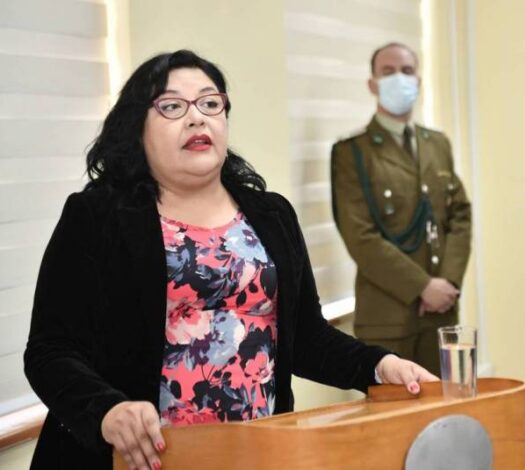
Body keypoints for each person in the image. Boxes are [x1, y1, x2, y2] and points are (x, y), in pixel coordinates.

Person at [23, 50, 435, 470]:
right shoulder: (97, 217)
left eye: (210, 103)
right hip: (136, 460)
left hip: (254, 455)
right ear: (137, 128)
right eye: (172, 106)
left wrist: (379, 365)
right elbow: (49, 351)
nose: (196, 118)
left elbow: (307, 338)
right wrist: (107, 411)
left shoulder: (271, 214)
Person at [330, 43, 472, 374]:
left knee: (446, 403)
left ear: (419, 81)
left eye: (407, 71)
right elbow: (360, 236)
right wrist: (422, 286)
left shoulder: (437, 144)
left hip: (441, 315)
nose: (399, 79)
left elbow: (459, 216)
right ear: (373, 84)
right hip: (387, 319)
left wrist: (447, 283)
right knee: (394, 408)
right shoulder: (352, 152)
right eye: (388, 71)